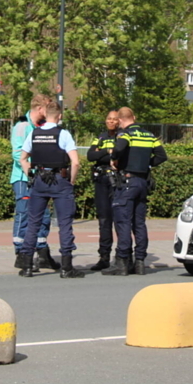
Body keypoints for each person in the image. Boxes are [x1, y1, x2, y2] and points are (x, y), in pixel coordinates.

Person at [17, 102, 85, 278]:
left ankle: (26, 267)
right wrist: (71, 180)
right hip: (60, 180)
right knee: (64, 224)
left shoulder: (34, 133)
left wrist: (30, 174)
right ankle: (66, 268)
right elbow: (75, 162)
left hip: (39, 180)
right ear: (60, 116)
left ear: (45, 114)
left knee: (33, 222)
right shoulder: (63, 134)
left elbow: (23, 157)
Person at [102, 107, 168, 276]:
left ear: (120, 120)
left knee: (123, 221)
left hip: (127, 181)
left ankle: (122, 263)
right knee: (139, 223)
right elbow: (161, 156)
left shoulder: (125, 134)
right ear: (134, 117)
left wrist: (115, 160)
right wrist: (145, 164)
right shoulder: (149, 135)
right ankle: (139, 262)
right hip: (142, 182)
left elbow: (118, 149)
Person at [11, 94, 58, 271]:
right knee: (24, 213)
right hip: (24, 177)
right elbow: (17, 153)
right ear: (40, 109)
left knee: (44, 214)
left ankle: (42, 253)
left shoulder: (44, 127)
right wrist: (33, 168)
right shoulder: (22, 126)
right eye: (48, 108)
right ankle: (21, 254)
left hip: (40, 177)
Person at [86, 110, 120, 271]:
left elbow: (120, 157)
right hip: (101, 180)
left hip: (117, 181)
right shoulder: (100, 137)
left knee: (121, 220)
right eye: (109, 119)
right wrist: (108, 152)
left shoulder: (122, 137)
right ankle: (104, 257)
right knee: (104, 220)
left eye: (114, 119)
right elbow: (90, 156)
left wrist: (102, 155)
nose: (111, 121)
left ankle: (123, 256)